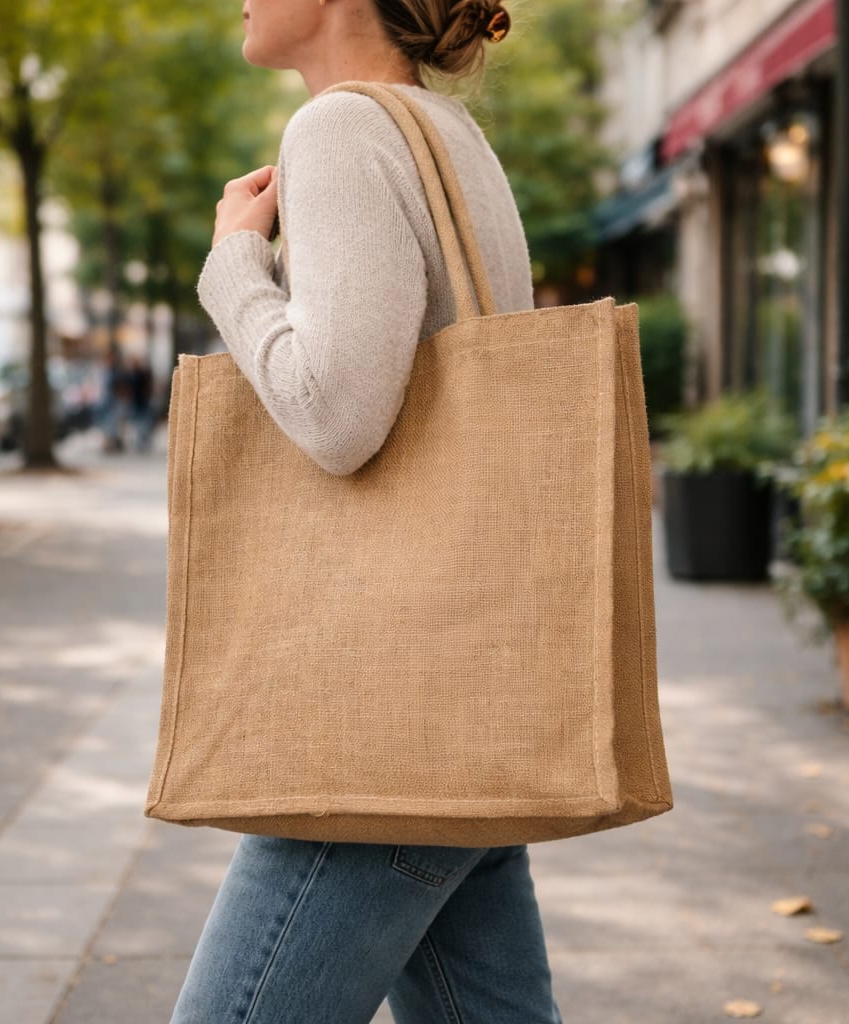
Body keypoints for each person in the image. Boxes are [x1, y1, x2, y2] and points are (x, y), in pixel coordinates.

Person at [173, 0, 562, 1021]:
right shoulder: (450, 133)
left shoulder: (341, 128)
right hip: (461, 698)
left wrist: (234, 264)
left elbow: (337, 416)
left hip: (377, 714)